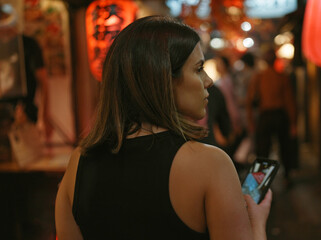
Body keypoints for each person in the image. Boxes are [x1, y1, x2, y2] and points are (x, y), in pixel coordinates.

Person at [55, 16, 272, 239]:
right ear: (163, 78)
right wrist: (256, 223)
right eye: (198, 69)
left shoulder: (79, 162)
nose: (208, 81)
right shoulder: (210, 164)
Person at [246, 48, 297, 187]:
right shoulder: (280, 77)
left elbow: (250, 101)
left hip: (266, 115)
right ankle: (286, 177)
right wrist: (293, 123)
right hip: (279, 115)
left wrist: (251, 121)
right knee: (283, 147)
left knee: (263, 150)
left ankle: (260, 184)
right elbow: (289, 102)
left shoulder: (260, 77)